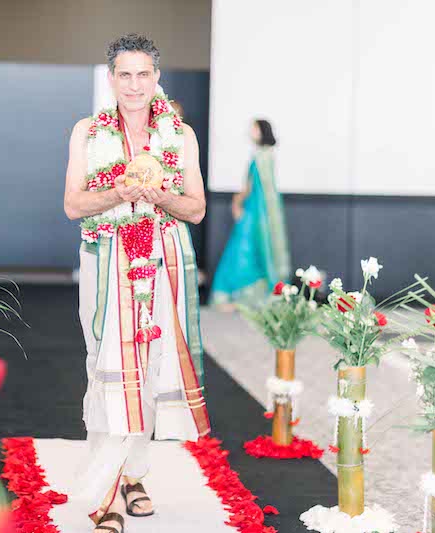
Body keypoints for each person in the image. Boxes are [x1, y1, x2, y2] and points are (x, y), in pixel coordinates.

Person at [63, 33, 211, 533]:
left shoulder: (181, 135)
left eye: (143, 74)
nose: (133, 84)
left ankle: (133, 477)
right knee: (103, 366)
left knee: (149, 371)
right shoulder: (88, 132)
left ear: (156, 79)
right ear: (111, 80)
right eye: (124, 74)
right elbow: (72, 205)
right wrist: (115, 194)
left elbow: (196, 208)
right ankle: (107, 491)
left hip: (162, 263)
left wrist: (160, 194)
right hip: (105, 263)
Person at [209, 119, 290, 309]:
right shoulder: (263, 155)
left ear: (262, 131)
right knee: (244, 251)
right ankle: (240, 297)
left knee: (243, 250)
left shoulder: (263, 157)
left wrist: (237, 201)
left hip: (256, 214)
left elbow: (253, 187)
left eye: (254, 129)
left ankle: (243, 298)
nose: (250, 132)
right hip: (255, 212)